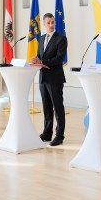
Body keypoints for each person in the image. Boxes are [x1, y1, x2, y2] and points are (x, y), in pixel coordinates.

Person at [31, 13, 67, 146]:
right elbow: (40, 55)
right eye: (48, 23)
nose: (51, 25)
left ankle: (59, 135)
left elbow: (59, 59)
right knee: (46, 107)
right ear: (44, 24)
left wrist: (42, 60)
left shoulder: (61, 38)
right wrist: (36, 59)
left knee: (58, 108)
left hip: (55, 78)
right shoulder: (41, 38)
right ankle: (47, 133)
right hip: (43, 78)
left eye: (53, 22)